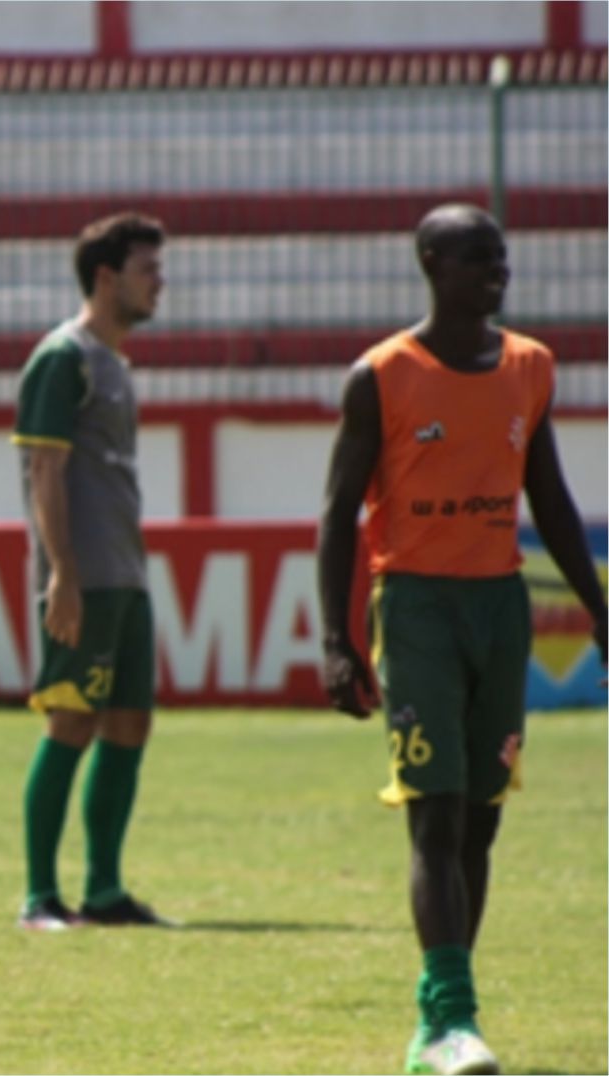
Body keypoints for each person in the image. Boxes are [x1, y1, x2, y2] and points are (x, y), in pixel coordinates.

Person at [316, 203, 608, 1076]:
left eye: (502, 256)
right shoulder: (380, 376)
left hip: (499, 608)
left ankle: (441, 1017)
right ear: (432, 264)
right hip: (415, 608)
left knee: (480, 822)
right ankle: (452, 1021)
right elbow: (338, 511)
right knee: (434, 814)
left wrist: (598, 604)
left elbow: (548, 495)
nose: (498, 270)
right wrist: (336, 636)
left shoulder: (530, 367)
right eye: (479, 257)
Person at [10, 212, 171, 931]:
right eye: (147, 270)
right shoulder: (62, 357)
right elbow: (44, 469)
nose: (158, 282)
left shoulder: (115, 363)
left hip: (126, 574)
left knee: (131, 723)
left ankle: (104, 893)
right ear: (106, 277)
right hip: (86, 577)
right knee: (72, 720)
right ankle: (40, 897)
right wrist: (62, 575)